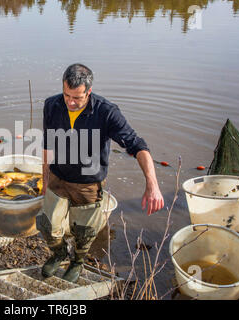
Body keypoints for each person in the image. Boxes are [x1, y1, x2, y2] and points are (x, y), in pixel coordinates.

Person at [37, 63, 164, 283]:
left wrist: (152, 185)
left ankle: (77, 261)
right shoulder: (52, 105)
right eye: (67, 95)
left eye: (77, 97)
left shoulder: (106, 112)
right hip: (58, 177)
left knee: (84, 232)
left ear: (89, 92)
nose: (70, 102)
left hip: (88, 183)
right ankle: (59, 254)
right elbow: (48, 144)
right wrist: (45, 179)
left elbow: (138, 145)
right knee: (47, 225)